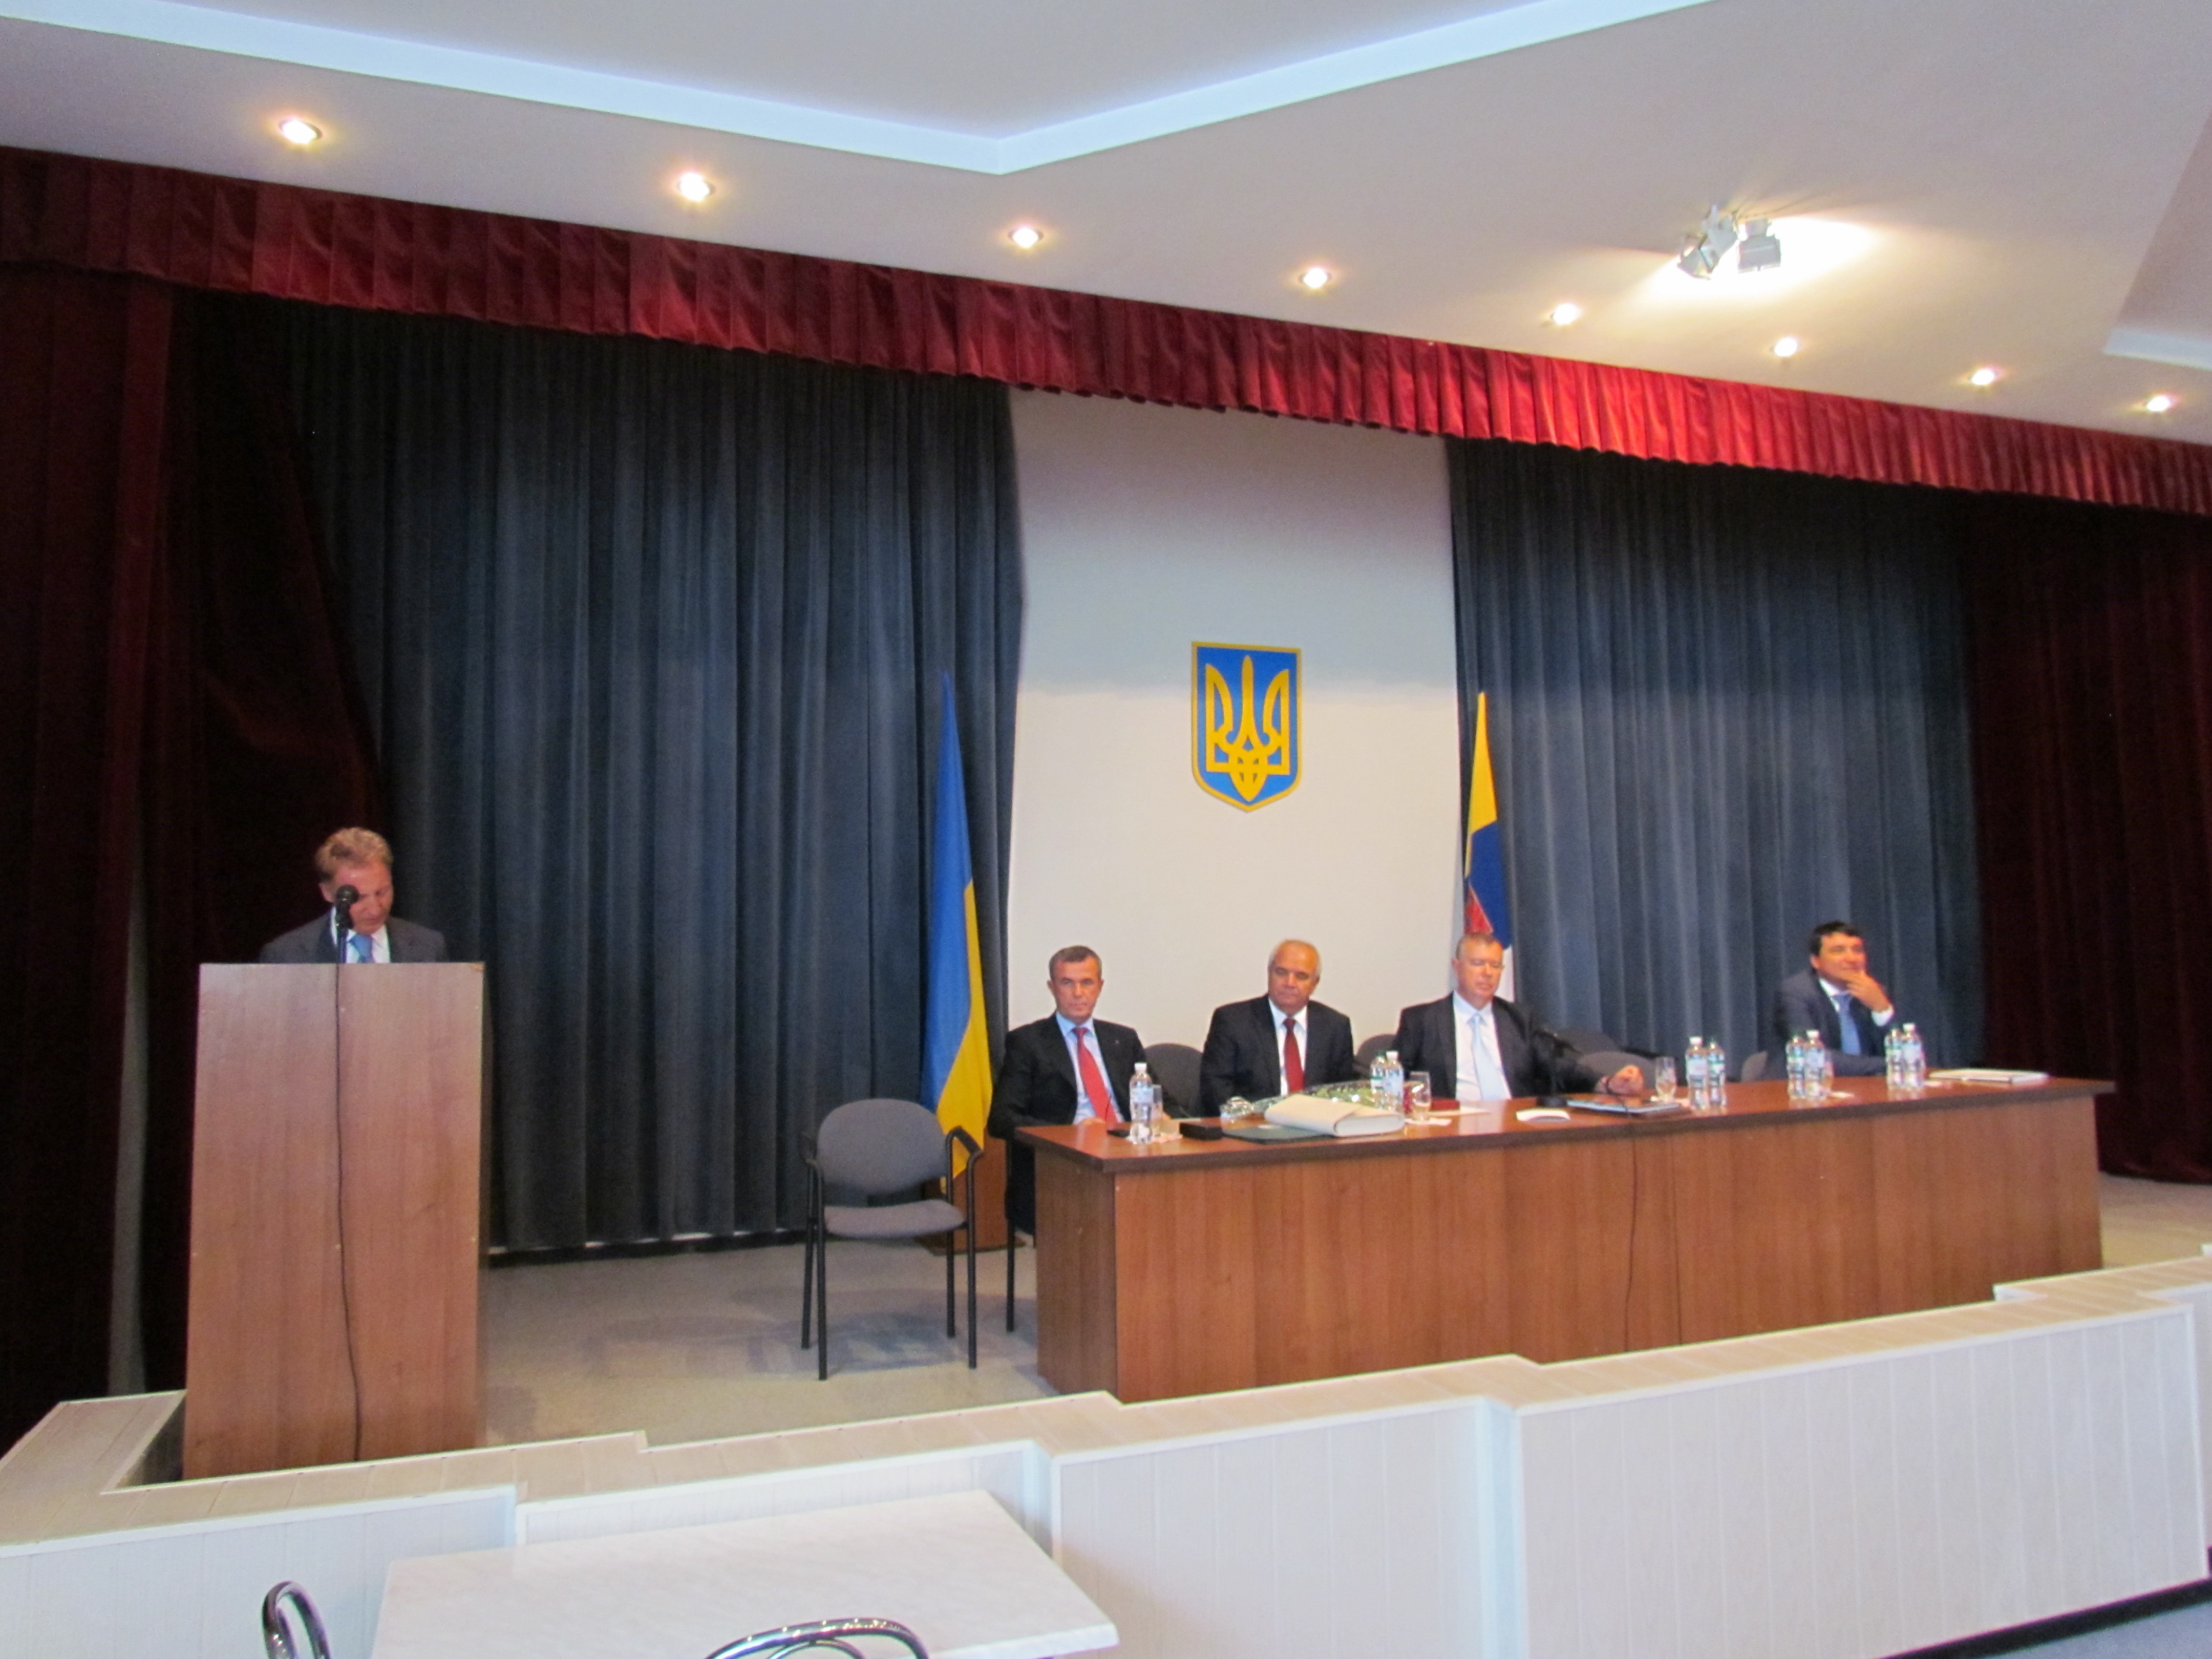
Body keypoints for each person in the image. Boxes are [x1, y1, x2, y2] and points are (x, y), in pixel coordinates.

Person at [988, 945, 1151, 1237]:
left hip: (1128, 1152)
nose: (1078, 993)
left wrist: (1171, 1118)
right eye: (1067, 983)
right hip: (1064, 1163)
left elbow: (1157, 1098)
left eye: (1087, 983)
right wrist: (1072, 1132)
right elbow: (1002, 1119)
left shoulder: (1123, 1039)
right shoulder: (1028, 1042)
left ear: (1100, 987)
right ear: (1052, 988)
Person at [1392, 932, 1644, 1101]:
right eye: (1478, 964)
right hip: (1451, 1130)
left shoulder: (1519, 1018)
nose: (1488, 973)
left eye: (1495, 965)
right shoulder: (1420, 1021)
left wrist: (1606, 1083)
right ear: (1457, 967)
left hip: (1515, 1123)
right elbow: (1394, 1081)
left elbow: (1557, 1066)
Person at [1198, 939, 1358, 1112]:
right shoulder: (1233, 1021)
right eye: (1281, 973)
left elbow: (1343, 1093)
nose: (1290, 983)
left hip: (1316, 1124)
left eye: (1301, 976)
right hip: (1251, 1124)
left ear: (1315, 983)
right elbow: (1216, 1091)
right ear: (1269, 973)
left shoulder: (1335, 1027)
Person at [259, 827, 449, 964]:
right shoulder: (287, 956)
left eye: (382, 892)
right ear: (327, 893)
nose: (375, 910)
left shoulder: (428, 948)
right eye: (359, 898)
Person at [1770, 920, 1900, 1077]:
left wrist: (1882, 1009)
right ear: (1815, 961)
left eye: (1857, 950)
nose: (1851, 959)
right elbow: (1811, 1056)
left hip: (1867, 1087)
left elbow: (1905, 1049)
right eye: (1838, 951)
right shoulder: (1795, 993)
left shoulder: (1874, 992)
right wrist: (1889, 1065)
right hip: (1802, 1085)